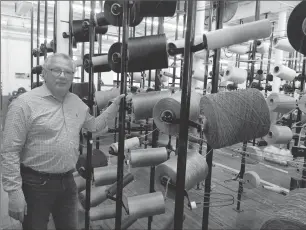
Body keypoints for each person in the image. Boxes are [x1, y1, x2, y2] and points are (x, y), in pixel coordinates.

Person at [0, 53, 125, 230]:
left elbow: (94, 126)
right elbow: (10, 151)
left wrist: (114, 107)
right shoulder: (24, 104)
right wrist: (13, 192)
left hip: (68, 182)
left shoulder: (76, 102)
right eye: (56, 70)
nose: (62, 75)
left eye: (68, 71)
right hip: (35, 184)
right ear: (44, 73)